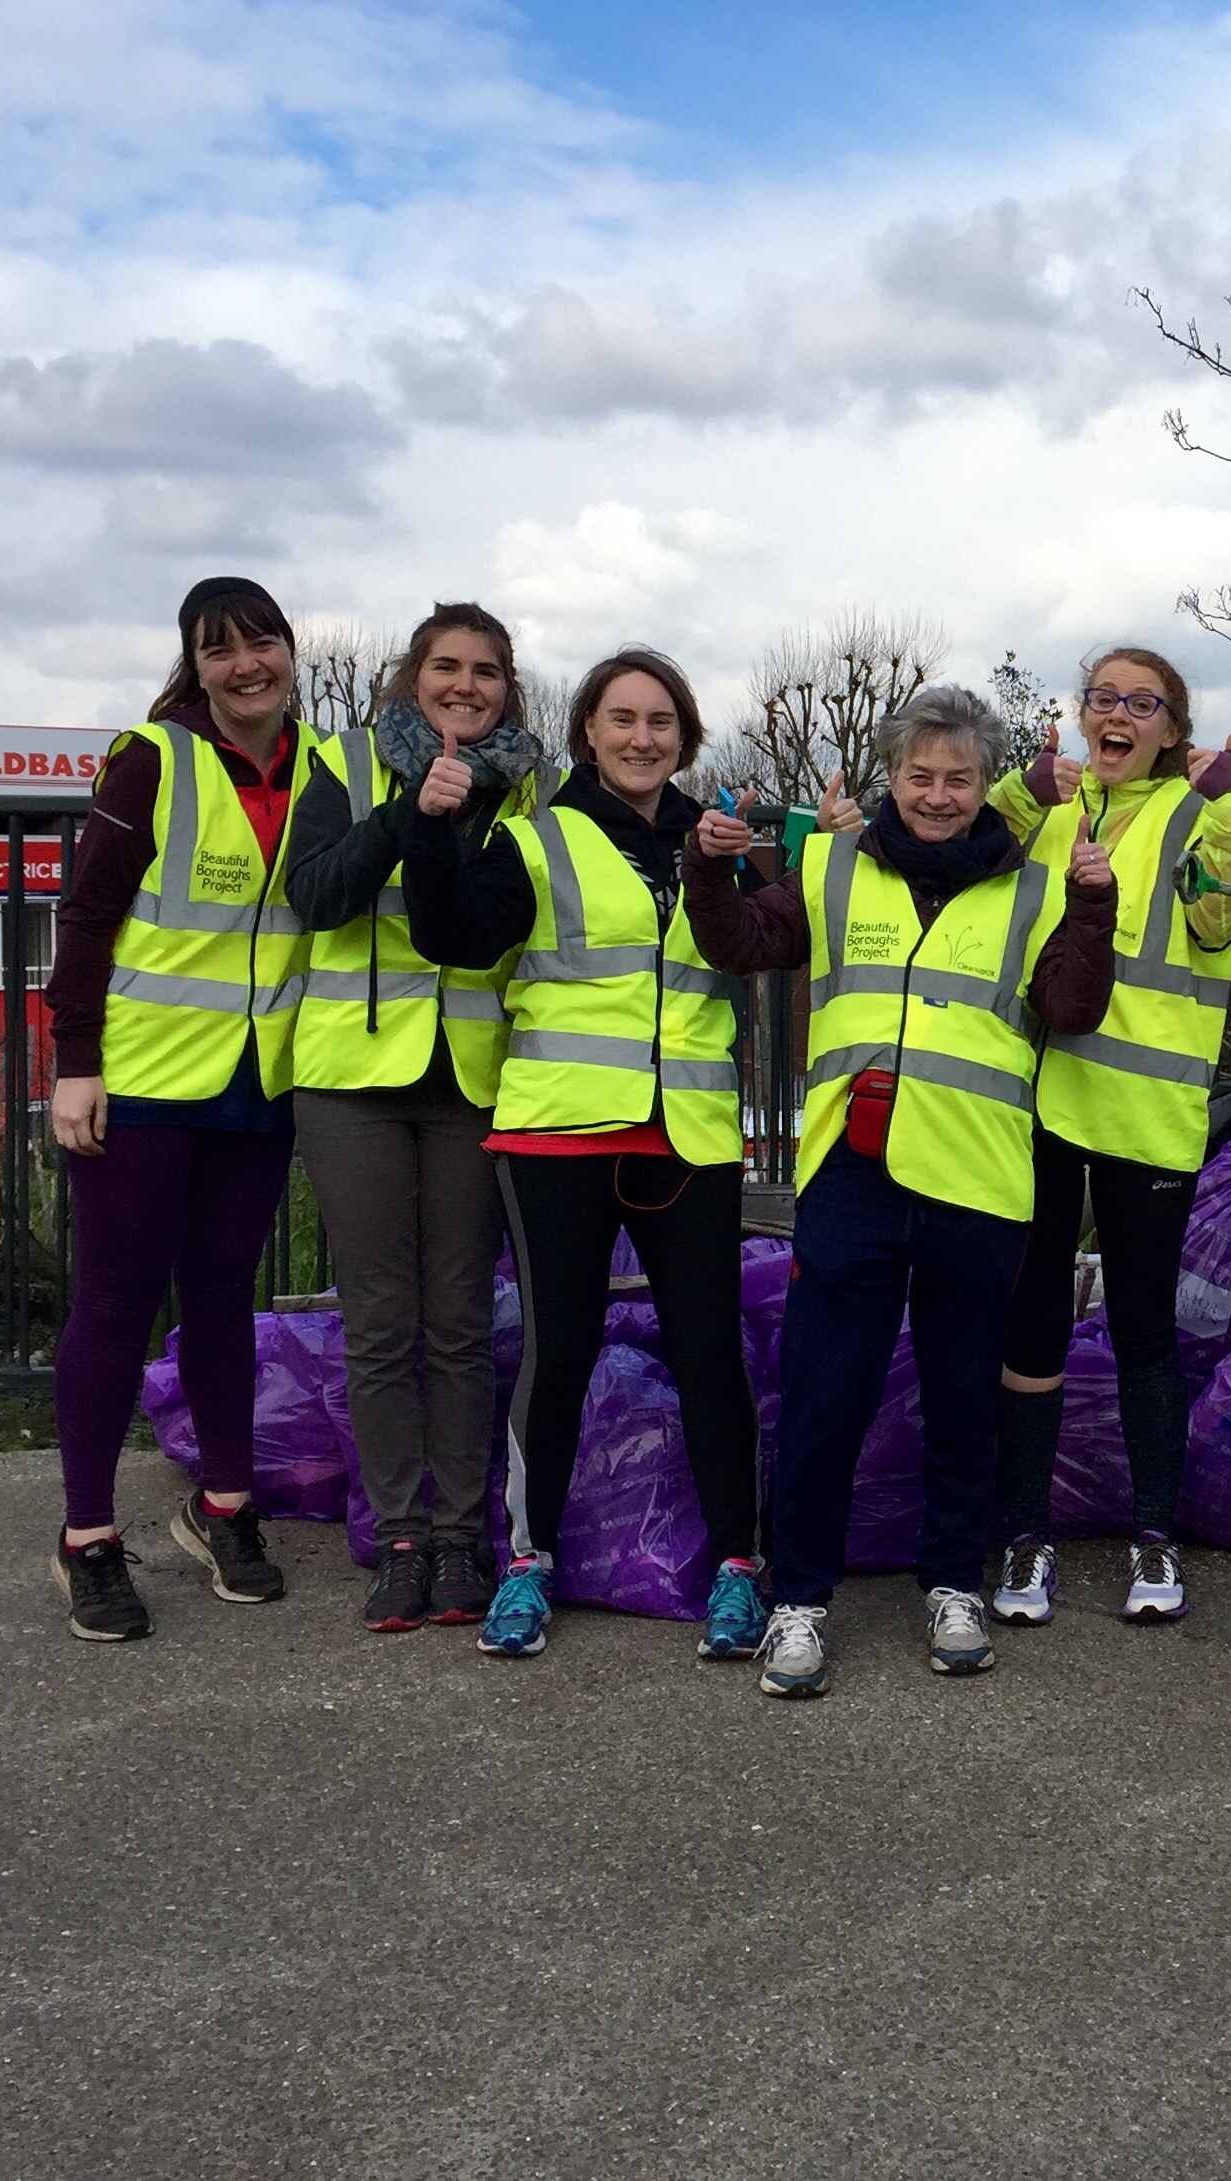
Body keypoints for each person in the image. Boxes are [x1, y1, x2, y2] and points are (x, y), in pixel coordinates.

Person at [684, 687, 1117, 1698]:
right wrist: (705, 867)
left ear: (983, 787)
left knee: (965, 1396)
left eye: (957, 778)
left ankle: (952, 1582)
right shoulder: (830, 865)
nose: (936, 794)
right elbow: (740, 943)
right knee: (826, 1393)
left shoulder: (1034, 884)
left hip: (978, 1177)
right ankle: (800, 1600)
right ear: (889, 778)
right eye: (919, 776)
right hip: (852, 1177)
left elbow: (1072, 1008)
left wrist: (1094, 907)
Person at [400, 646, 763, 1664]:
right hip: (559, 1128)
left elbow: (771, 940)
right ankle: (528, 1566)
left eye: (661, 723)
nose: (642, 738)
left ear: (683, 738)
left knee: (707, 1353)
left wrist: (796, 853)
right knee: (557, 1353)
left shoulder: (715, 838)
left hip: (686, 1132)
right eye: (622, 720)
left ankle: (738, 1567)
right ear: (587, 734)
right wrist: (431, 831)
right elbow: (456, 938)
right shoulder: (537, 838)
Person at [42, 575, 312, 1640]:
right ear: (192, 668)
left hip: (259, 1078)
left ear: (291, 650)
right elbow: (89, 908)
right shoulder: (152, 758)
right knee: (114, 1301)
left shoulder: (327, 765)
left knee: (223, 1297)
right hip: (142, 1076)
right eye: (219, 650)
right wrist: (75, 1059)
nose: (246, 665)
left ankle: (225, 1507)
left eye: (262, 643)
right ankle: (87, 1539)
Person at [982, 646, 1231, 1628]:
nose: (1117, 715)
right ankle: (1024, 1539)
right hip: (1046, 1104)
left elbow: (1224, 919)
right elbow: (980, 840)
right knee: (1032, 1326)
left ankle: (1154, 1533)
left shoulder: (1197, 814)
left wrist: (1230, 798)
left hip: (1146, 1114)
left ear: (1171, 731)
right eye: (1102, 698)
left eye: (1141, 703)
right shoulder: (1052, 814)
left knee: (1145, 1330)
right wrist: (1023, 784)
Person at [286, 604, 539, 1635]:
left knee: (463, 1322)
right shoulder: (346, 766)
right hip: (351, 1078)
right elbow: (314, 898)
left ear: (507, 688)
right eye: (446, 667)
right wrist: (403, 814)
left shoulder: (535, 787)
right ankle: (399, 1537)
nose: (464, 687)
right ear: (410, 676)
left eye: (485, 672)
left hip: (474, 1078)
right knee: (383, 1322)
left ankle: (459, 1536)